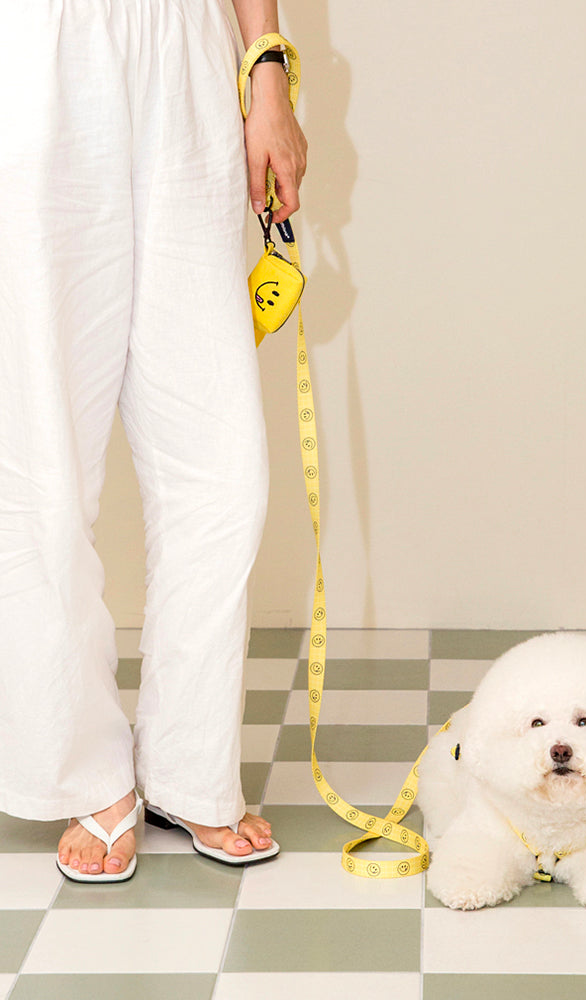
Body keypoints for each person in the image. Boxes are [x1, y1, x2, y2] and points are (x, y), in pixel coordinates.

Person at [0, 0, 307, 881]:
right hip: (37, 50)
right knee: (43, 468)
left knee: (223, 471)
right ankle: (86, 774)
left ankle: (189, 768)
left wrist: (267, 73)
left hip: (186, 48)